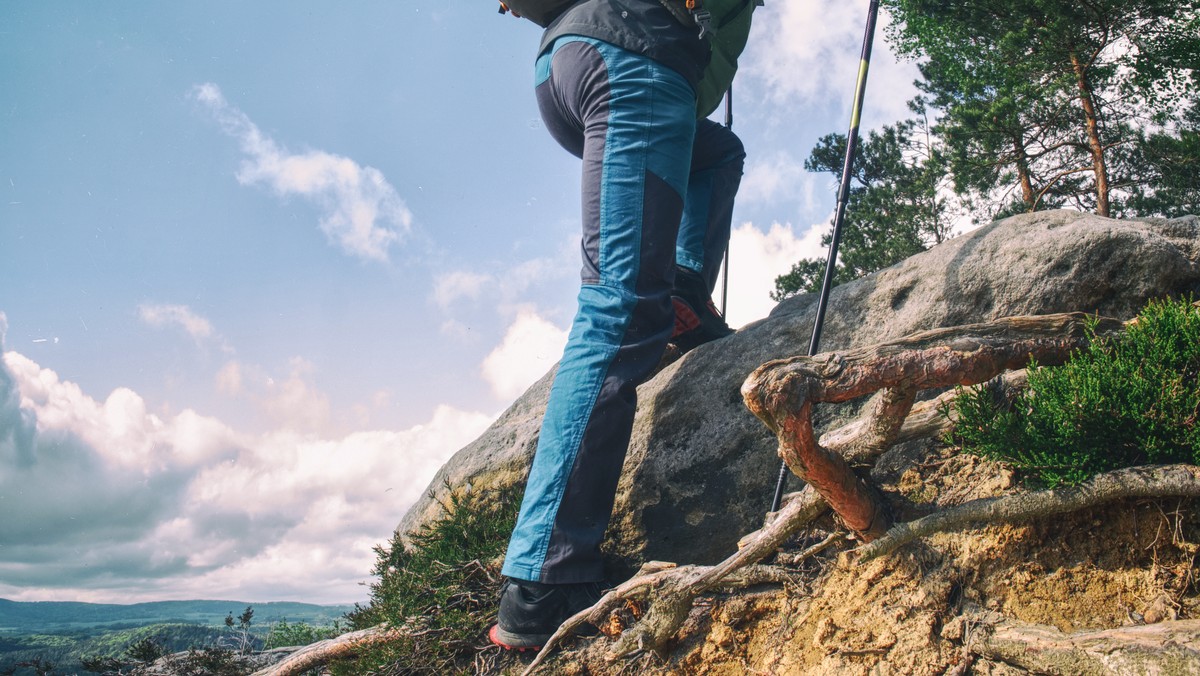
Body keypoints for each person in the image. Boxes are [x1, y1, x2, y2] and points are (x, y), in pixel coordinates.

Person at [489, 0, 755, 651]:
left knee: (718, 152)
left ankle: (686, 284)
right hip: (634, 58)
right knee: (622, 308)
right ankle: (545, 579)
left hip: (584, 57)